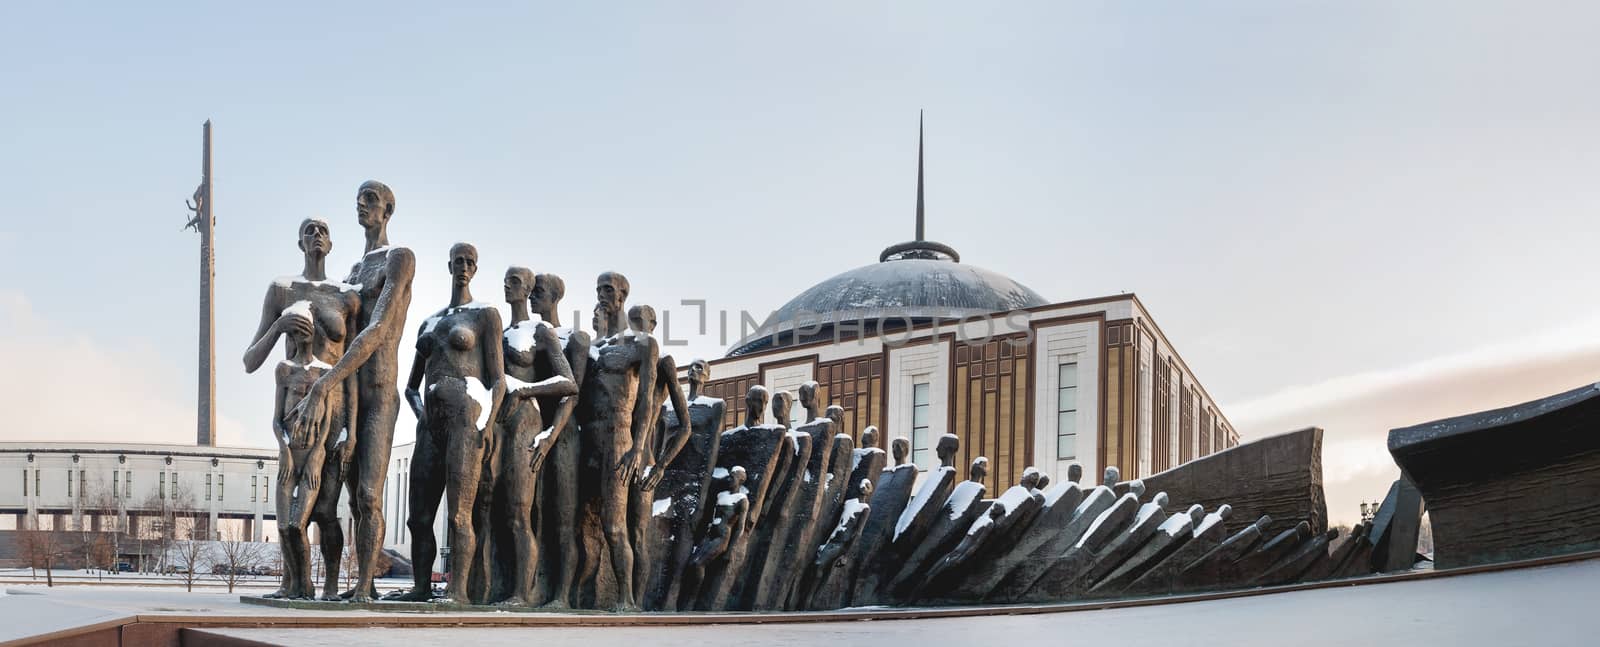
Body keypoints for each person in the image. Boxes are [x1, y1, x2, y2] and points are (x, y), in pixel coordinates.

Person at [288, 181, 415, 602]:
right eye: (358, 200)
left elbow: (377, 329)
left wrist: (325, 382)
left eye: (371, 200)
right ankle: (350, 584)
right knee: (336, 501)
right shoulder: (350, 275)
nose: (362, 206)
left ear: (388, 210)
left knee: (368, 494)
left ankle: (363, 585)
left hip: (378, 391)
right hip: (347, 398)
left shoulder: (399, 258)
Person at [243, 218, 360, 600]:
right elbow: (250, 360)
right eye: (309, 230)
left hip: (334, 409)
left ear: (332, 243)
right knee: (289, 512)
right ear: (299, 242)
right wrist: (278, 326)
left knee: (325, 508)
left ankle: (327, 585)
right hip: (295, 411)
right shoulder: (282, 290)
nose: (316, 236)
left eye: (323, 230)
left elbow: (354, 367)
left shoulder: (345, 296)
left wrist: (352, 429)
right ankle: (293, 582)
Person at [398, 243, 506, 604]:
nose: (463, 267)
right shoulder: (429, 321)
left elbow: (498, 381)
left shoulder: (485, 315)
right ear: (449, 266)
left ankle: (457, 591)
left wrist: (486, 424)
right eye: (458, 261)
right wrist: (423, 416)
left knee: (460, 515)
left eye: (470, 262)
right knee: (418, 518)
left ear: (475, 269)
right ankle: (420, 586)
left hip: (465, 422)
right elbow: (410, 387)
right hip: (430, 427)